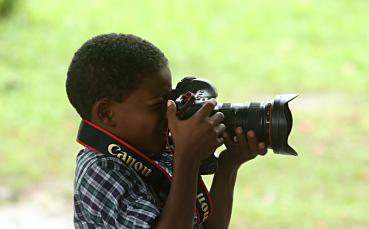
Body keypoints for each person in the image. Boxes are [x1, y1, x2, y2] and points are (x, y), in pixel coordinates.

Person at [66, 33, 267, 229]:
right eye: (157, 106)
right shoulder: (100, 170)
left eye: (171, 100)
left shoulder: (157, 150)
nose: (171, 112)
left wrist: (228, 166)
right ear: (107, 114)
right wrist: (187, 158)